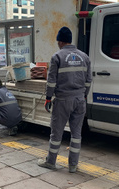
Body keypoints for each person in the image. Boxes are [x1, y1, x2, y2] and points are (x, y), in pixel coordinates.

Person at [37, 26, 92, 173]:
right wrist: (83, 95)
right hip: (80, 100)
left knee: (56, 133)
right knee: (76, 134)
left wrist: (48, 98)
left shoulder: (57, 57)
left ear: (60, 41)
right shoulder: (84, 57)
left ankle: (51, 162)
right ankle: (73, 165)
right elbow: (89, 80)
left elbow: (51, 81)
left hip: (63, 100)